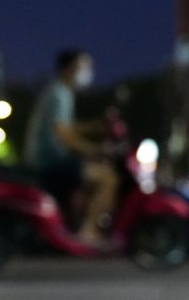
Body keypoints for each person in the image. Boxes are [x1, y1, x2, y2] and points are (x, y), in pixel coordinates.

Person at [24, 49, 118, 245]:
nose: (88, 72)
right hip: (48, 162)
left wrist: (95, 127)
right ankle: (89, 232)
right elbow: (62, 133)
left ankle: (76, 223)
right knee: (108, 178)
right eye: (83, 67)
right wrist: (93, 149)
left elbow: (69, 126)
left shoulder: (60, 92)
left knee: (91, 172)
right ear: (68, 69)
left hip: (52, 159)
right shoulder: (59, 93)